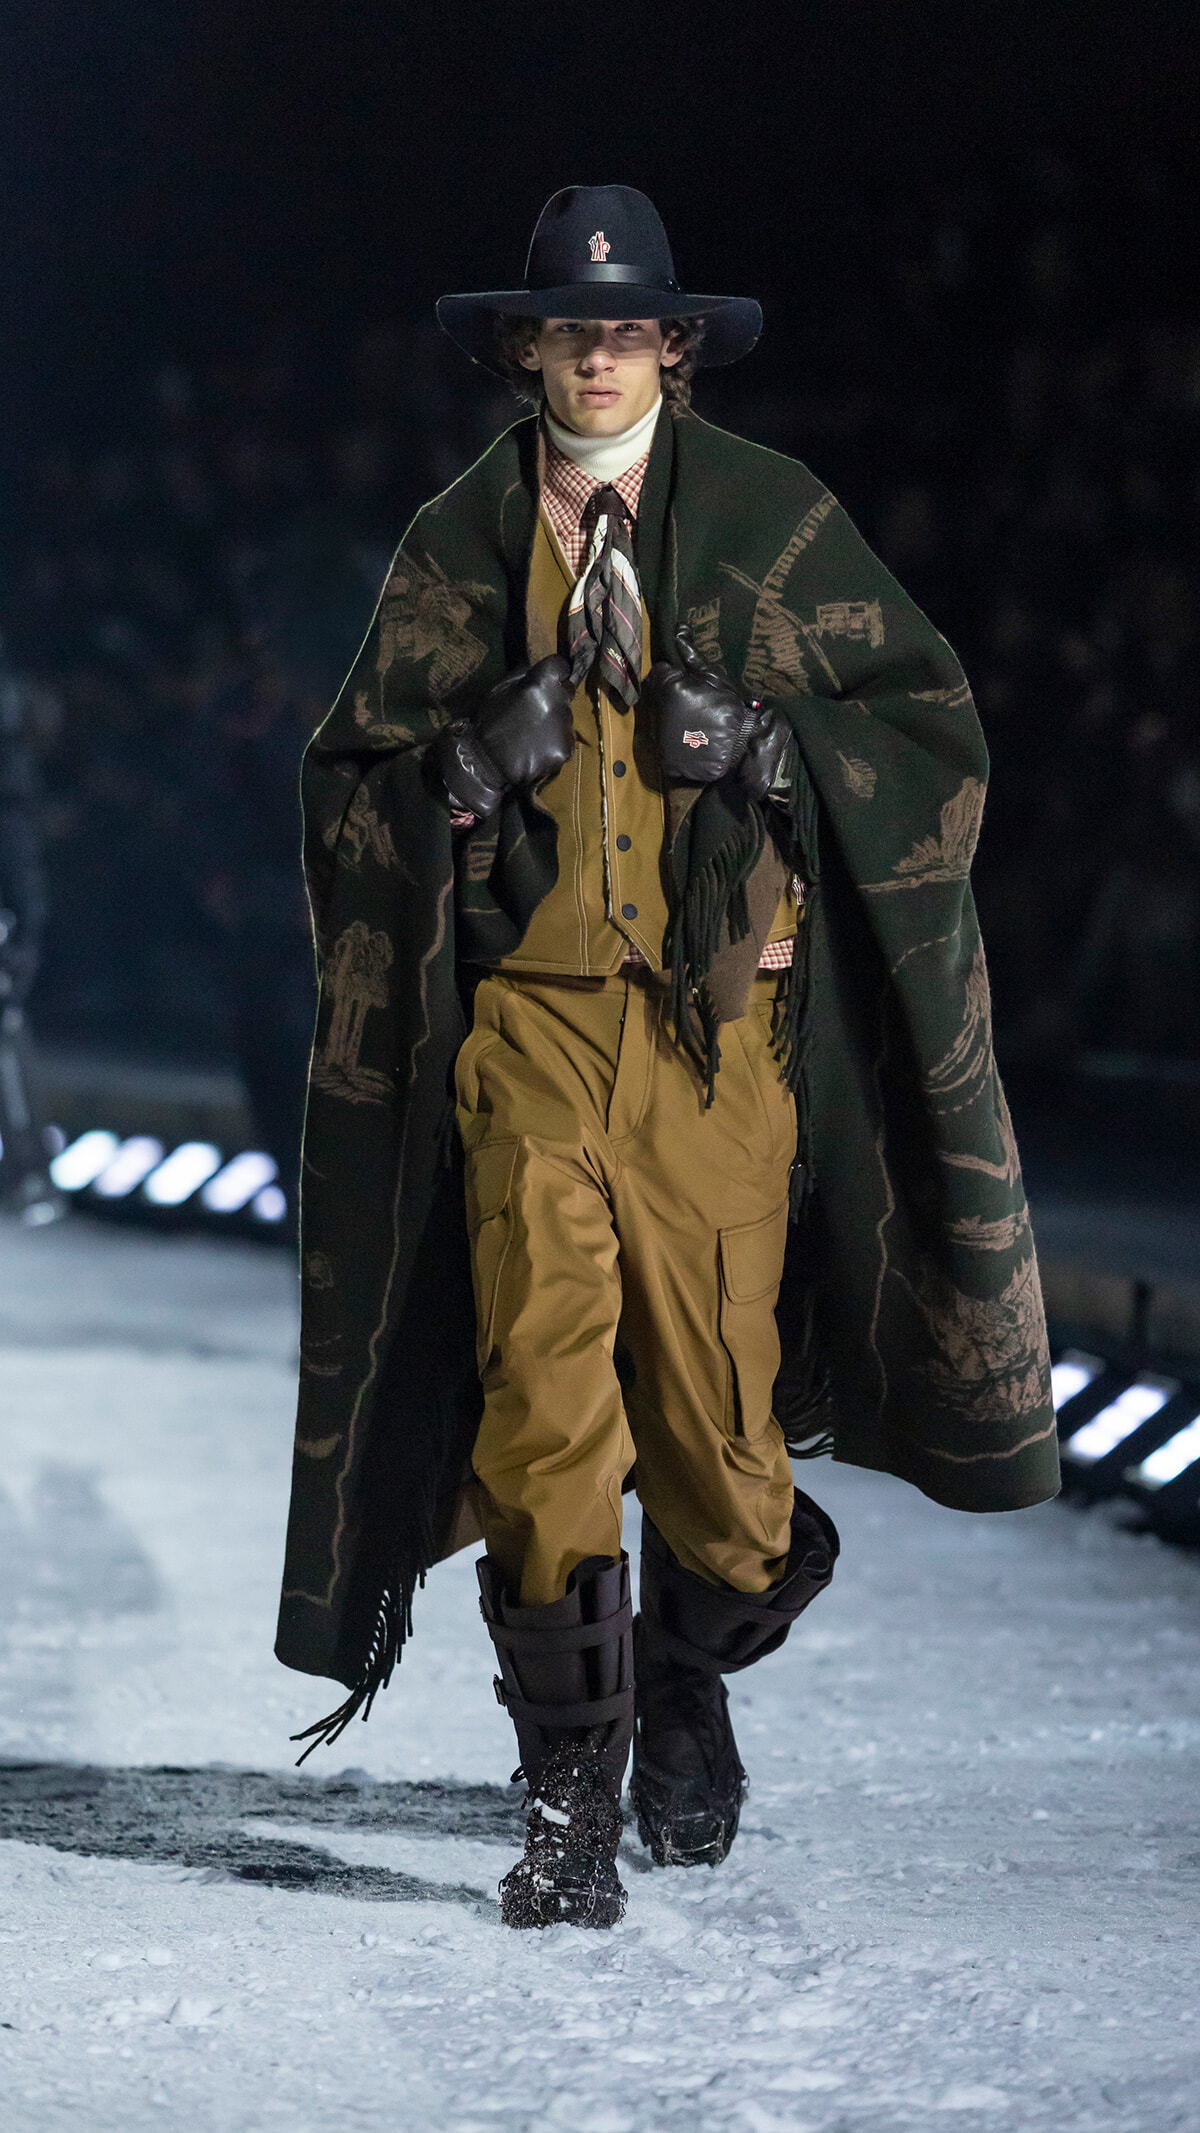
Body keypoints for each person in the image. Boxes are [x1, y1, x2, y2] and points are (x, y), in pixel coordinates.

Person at [275, 186, 1060, 1930]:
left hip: (714, 1046)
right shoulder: (454, 544)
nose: (603, 351)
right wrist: (465, 768)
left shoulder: (777, 524)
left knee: (718, 1456)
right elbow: (352, 794)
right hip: (528, 1034)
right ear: (525, 348)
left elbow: (931, 732)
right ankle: (568, 1801)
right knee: (544, 1417)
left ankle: (685, 1668)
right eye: (572, 327)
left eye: (633, 327)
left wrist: (778, 746)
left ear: (676, 349)